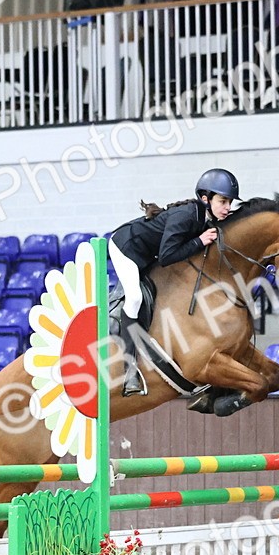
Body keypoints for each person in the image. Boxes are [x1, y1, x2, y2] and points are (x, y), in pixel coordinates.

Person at [108, 168, 240, 397]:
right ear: (205, 198)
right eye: (223, 201)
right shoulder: (187, 215)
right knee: (135, 298)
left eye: (229, 202)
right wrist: (199, 241)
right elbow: (167, 256)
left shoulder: (206, 218)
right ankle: (129, 370)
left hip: (149, 252)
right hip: (126, 247)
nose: (227, 207)